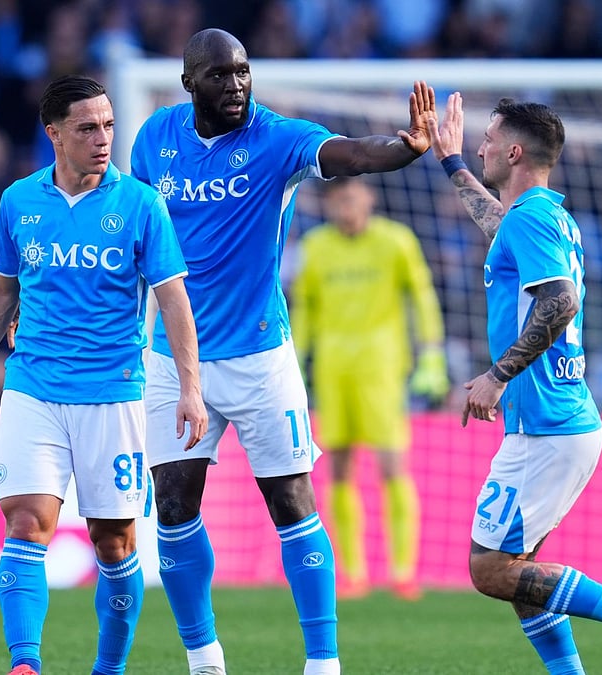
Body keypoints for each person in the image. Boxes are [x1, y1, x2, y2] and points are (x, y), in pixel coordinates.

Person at [128, 28, 436, 675]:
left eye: (242, 72)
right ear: (190, 84)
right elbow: (140, 236)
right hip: (173, 358)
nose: (236, 85)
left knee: (293, 502)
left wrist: (403, 149)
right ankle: (203, 657)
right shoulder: (153, 140)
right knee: (175, 505)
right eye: (220, 75)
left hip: (261, 358)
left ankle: (323, 662)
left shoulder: (276, 139)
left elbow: (348, 153)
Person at [0, 75, 208, 675]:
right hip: (33, 387)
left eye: (109, 126)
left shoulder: (142, 204)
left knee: (114, 542)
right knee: (25, 521)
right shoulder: (20, 201)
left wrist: (191, 388)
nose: (103, 139)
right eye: (87, 128)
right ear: (55, 135)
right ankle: (25, 664)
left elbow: (173, 299)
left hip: (113, 393)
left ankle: (108, 670)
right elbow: (2, 286)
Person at [429, 92, 602, 675]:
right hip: (552, 420)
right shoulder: (537, 217)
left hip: (549, 425)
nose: (481, 145)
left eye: (487, 139)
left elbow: (559, 301)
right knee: (522, 576)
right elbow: (498, 225)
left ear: (514, 151)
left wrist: (496, 375)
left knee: (490, 570)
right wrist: (451, 163)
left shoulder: (535, 217)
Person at [289, 176, 449, 601]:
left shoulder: (396, 241)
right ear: (328, 204)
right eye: (338, 199)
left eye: (353, 197)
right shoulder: (316, 248)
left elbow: (422, 295)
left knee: (392, 465)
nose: (346, 206)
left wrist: (432, 352)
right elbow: (303, 309)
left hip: (382, 368)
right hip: (333, 369)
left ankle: (403, 571)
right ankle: (353, 572)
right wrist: (294, 362)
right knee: (338, 467)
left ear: (369, 198)